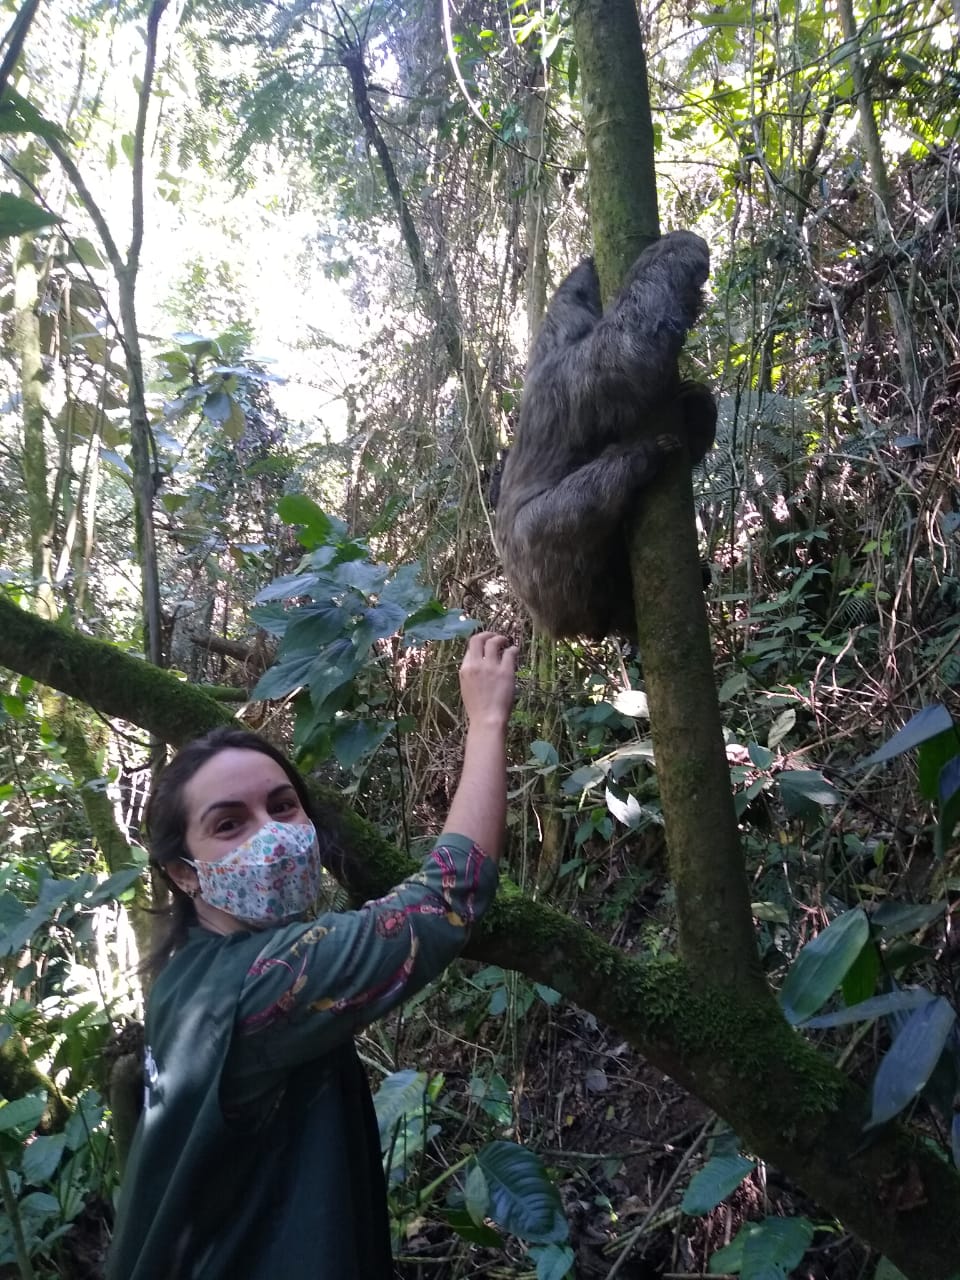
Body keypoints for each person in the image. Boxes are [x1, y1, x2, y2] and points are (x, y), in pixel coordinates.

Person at [106, 631, 518, 1280]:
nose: (271, 836)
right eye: (228, 823)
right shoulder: (260, 984)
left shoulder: (190, 974)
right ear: (183, 874)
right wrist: (488, 718)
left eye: (282, 806)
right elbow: (446, 902)